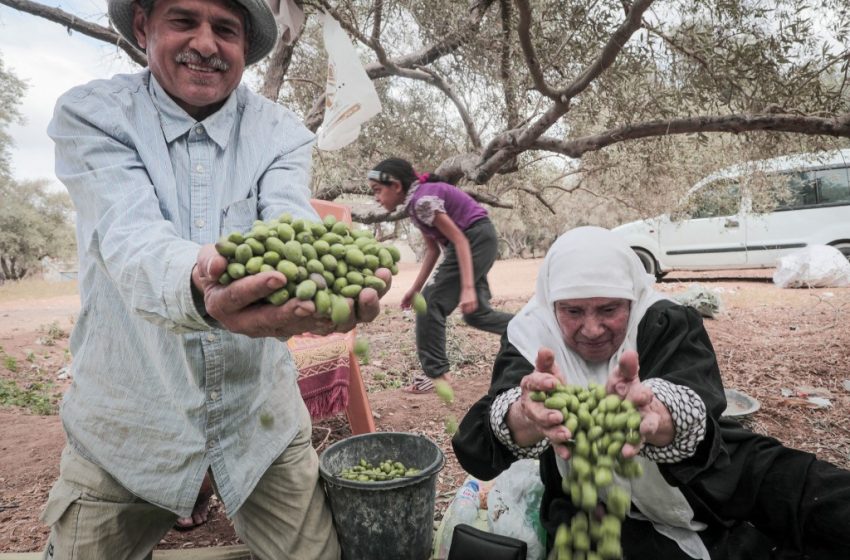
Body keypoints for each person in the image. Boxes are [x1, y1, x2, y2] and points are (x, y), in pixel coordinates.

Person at [40, 0, 390, 558]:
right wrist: (204, 287)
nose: (205, 43)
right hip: (128, 427)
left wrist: (322, 278)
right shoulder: (93, 114)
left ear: (244, 47)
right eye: (184, 20)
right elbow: (131, 241)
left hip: (260, 421)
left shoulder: (281, 132)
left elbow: (292, 224)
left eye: (224, 28)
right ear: (142, 27)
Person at [452, 226, 850, 559]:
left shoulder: (662, 319)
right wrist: (525, 415)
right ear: (552, 304)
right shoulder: (530, 336)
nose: (591, 329)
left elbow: (698, 395)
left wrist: (659, 414)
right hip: (595, 504)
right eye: (573, 311)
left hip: (708, 473)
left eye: (609, 309)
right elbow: (481, 442)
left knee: (822, 499)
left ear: (633, 297)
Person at [368, 157, 513, 393]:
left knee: (429, 303)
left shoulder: (422, 201)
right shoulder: (417, 205)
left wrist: (466, 288)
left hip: (472, 240)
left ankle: (436, 374)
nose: (376, 197)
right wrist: (414, 289)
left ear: (395, 186)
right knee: (476, 315)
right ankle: (530, 329)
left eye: (377, 190)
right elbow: (433, 250)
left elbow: (459, 240)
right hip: (480, 239)